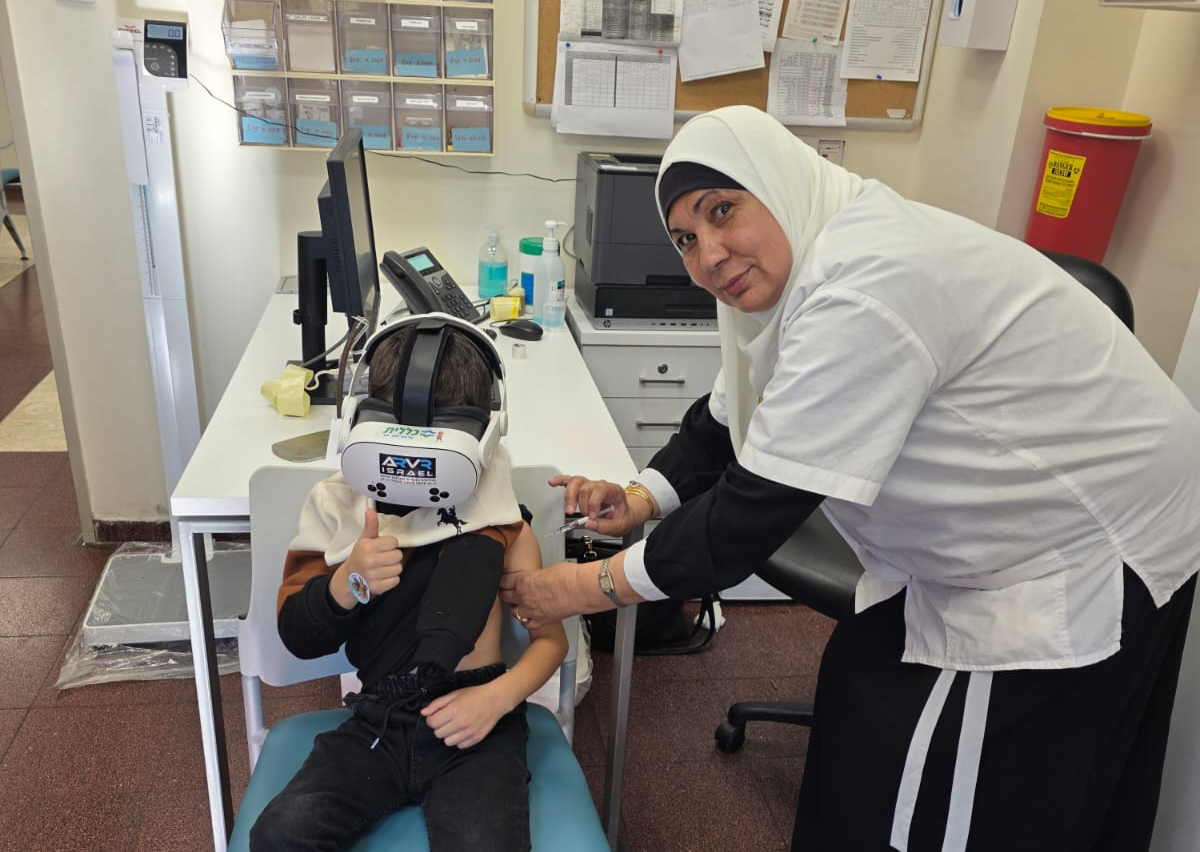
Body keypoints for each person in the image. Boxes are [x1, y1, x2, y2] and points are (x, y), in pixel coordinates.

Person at [499, 105, 1200, 851]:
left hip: (1077, 544)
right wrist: (642, 497)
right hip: (1013, 518)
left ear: (777, 183)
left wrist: (580, 588)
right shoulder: (801, 270)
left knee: (982, 795)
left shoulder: (864, 285)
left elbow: (749, 516)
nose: (708, 255)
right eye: (685, 238)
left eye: (722, 210)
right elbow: (727, 419)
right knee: (861, 686)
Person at [251, 323, 568, 852]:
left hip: (477, 719)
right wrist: (348, 581)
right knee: (280, 835)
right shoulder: (339, 508)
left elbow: (550, 640)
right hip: (378, 716)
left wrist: (496, 699)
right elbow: (299, 633)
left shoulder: (499, 520)